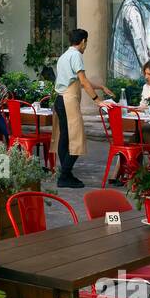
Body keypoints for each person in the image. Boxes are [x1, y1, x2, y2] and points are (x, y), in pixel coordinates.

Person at [53, 29, 113, 188]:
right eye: (86, 43)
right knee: (77, 138)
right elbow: (84, 82)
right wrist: (98, 101)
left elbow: (80, 81)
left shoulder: (64, 56)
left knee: (65, 137)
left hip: (59, 99)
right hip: (69, 100)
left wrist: (100, 86)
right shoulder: (77, 56)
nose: (86, 46)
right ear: (83, 41)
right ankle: (65, 175)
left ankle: (65, 173)